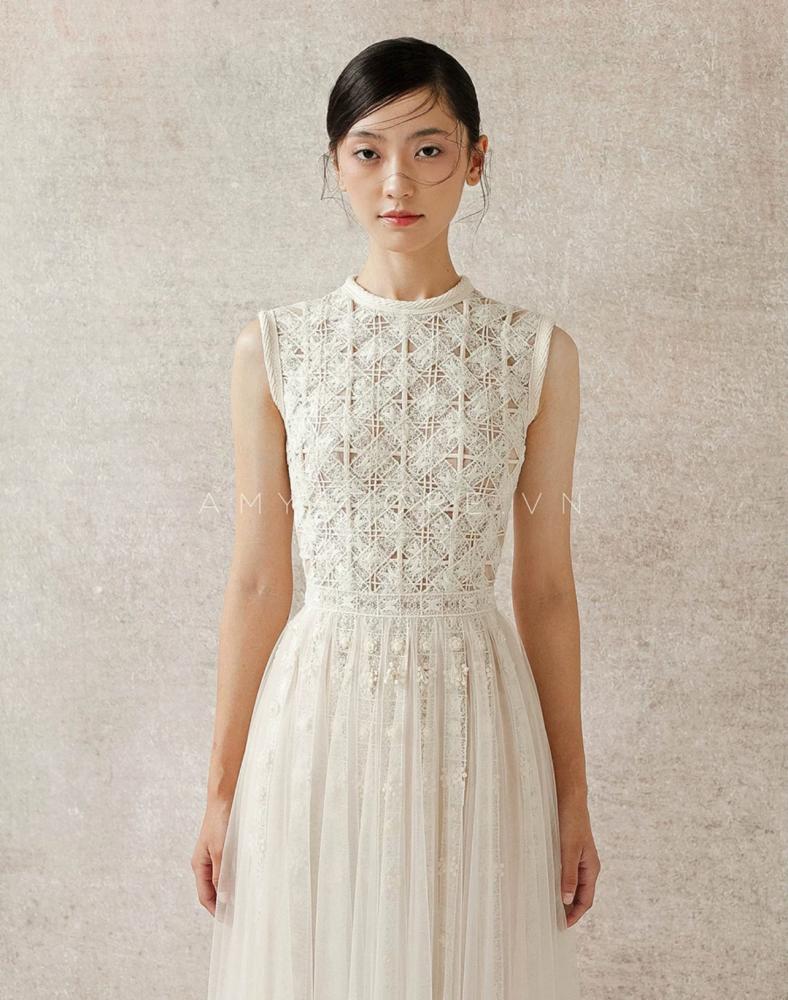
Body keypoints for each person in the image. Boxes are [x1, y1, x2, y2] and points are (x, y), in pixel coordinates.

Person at [193, 35, 600, 999]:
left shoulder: (535, 354)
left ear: (476, 158)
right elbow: (258, 578)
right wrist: (219, 791)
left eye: (429, 149)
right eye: (368, 151)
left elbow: (545, 587)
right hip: (319, 715)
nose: (397, 182)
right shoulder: (275, 349)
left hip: (474, 718)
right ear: (335, 163)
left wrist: (574, 794)